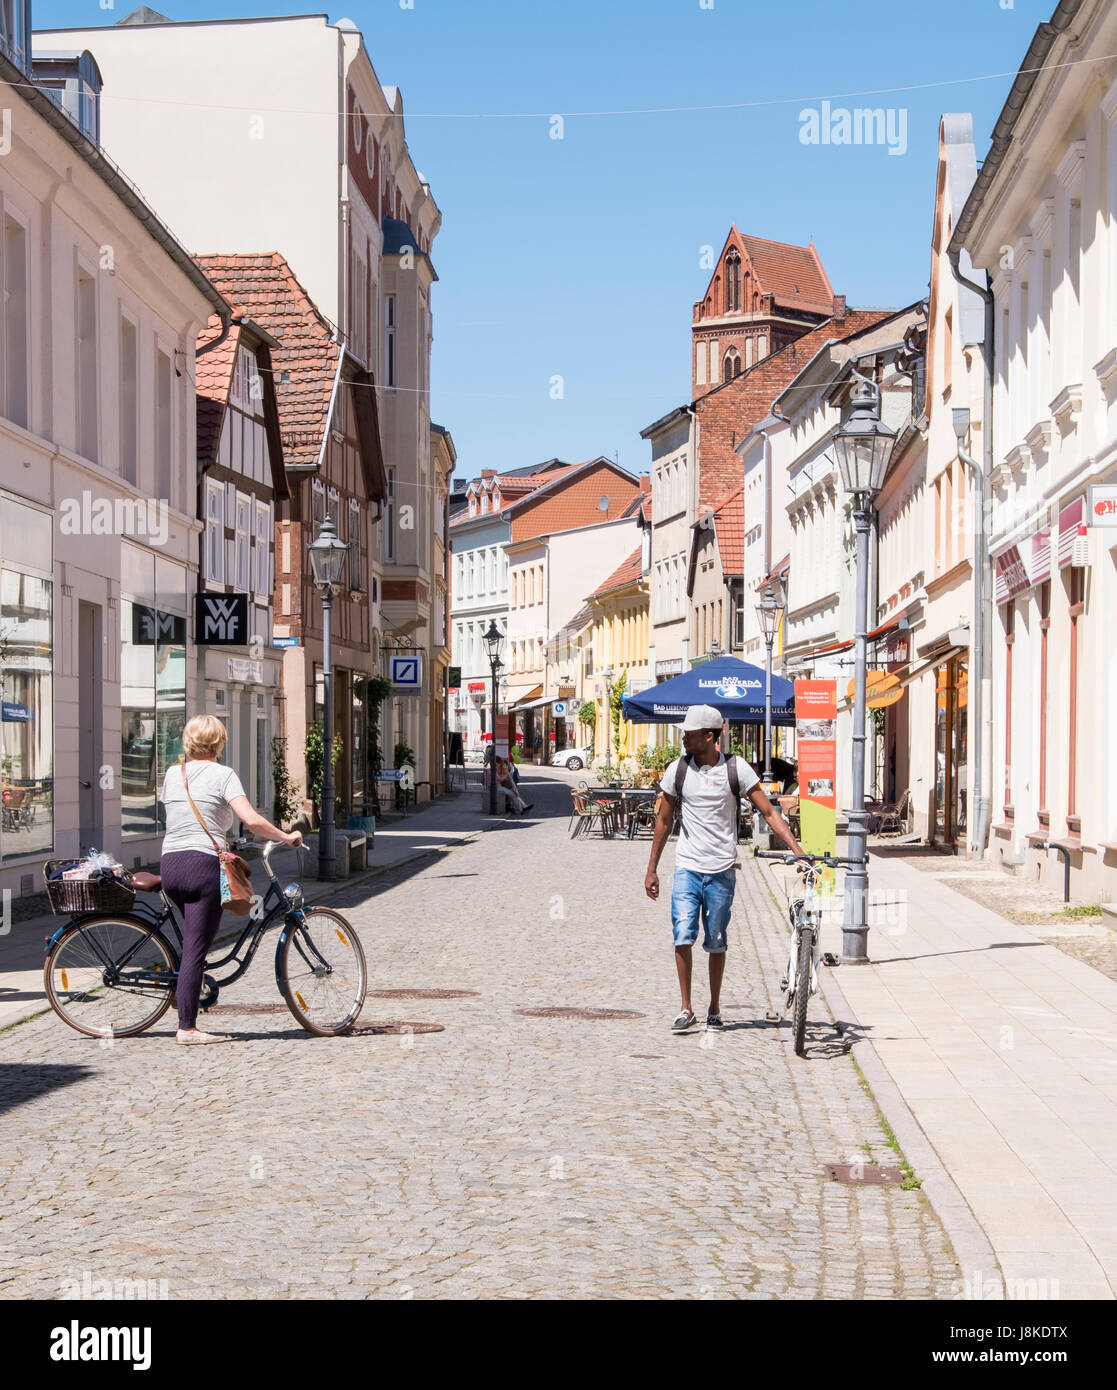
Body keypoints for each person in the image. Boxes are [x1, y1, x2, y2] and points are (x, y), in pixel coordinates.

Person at [644, 704, 805, 1034]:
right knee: (682, 936)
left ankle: (714, 1007)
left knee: (716, 940)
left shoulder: (738, 770)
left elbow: (770, 813)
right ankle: (686, 1007)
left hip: (721, 870)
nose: (684, 739)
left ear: (709, 736)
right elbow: (663, 820)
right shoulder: (678, 771)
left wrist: (798, 851)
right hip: (688, 866)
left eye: (690, 734)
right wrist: (652, 869)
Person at [159, 714, 302, 1045]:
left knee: (195, 941)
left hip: (171, 864)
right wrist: (285, 836)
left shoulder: (171, 773)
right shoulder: (224, 775)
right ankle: (187, 1027)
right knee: (195, 948)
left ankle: (190, 992)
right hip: (202, 866)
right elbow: (250, 819)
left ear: (189, 742)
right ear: (219, 742)